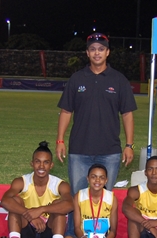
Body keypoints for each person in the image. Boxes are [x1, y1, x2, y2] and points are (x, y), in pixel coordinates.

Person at [55, 33, 137, 226]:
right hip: (79, 150)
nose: (97, 53)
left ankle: (101, 237)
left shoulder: (119, 80)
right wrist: (60, 140)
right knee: (78, 198)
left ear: (107, 52)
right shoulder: (77, 79)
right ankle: (75, 237)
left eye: (101, 49)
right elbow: (66, 111)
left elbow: (127, 114)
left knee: (104, 199)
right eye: (93, 49)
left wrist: (129, 145)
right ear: (87, 53)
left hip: (109, 151)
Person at [1, 142, 73, 238]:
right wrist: (30, 216)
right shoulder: (21, 181)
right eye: (38, 162)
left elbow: (70, 205)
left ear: (51, 165)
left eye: (46, 162)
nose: (41, 166)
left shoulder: (60, 184)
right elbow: (5, 201)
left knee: (59, 206)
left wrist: (41, 209)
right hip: (27, 236)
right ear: (32, 163)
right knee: (15, 201)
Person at [61, 164, 123, 238]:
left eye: (101, 177)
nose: (97, 180)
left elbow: (113, 231)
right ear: (88, 179)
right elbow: (77, 227)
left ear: (106, 180)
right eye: (93, 177)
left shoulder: (112, 198)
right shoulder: (79, 196)